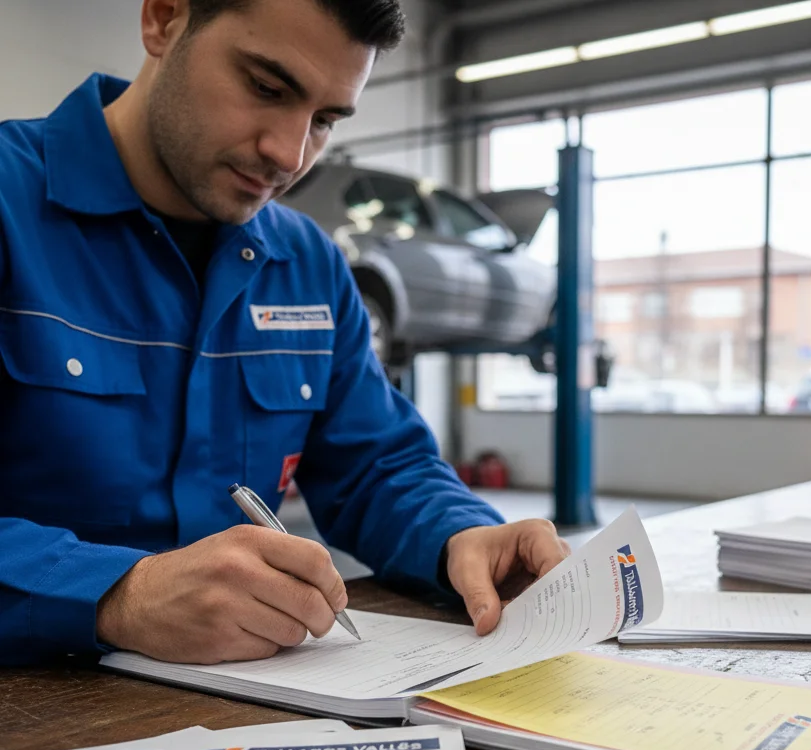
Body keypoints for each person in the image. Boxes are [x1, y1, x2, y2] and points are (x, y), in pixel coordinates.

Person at [0, 0, 568, 667]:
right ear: (163, 19)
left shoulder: (308, 263)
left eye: (325, 120)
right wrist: (118, 594)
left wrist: (459, 536)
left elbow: (376, 466)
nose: (290, 154)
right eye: (267, 88)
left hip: (248, 698)